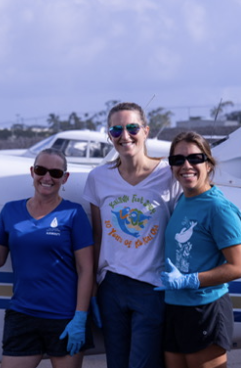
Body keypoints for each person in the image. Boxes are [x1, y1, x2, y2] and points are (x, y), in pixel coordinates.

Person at [0, 148, 94, 368]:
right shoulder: (11, 210)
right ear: (32, 172)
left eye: (55, 173)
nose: (47, 177)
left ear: (64, 178)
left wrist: (80, 317)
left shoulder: (73, 214)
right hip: (22, 314)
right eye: (41, 170)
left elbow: (86, 270)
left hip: (65, 318)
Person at [82, 102, 181, 368]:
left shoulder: (170, 175)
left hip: (152, 287)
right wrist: (93, 289)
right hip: (111, 287)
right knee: (117, 364)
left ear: (146, 131)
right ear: (109, 135)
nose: (124, 136)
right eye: (116, 130)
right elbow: (98, 236)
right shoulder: (98, 178)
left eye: (132, 128)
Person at [156, 131, 241, 367]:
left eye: (195, 158)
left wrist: (190, 280)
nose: (187, 165)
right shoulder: (182, 201)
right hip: (175, 308)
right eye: (178, 160)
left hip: (205, 308)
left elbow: (239, 266)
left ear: (208, 163)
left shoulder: (219, 208)